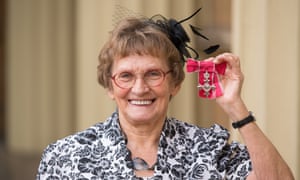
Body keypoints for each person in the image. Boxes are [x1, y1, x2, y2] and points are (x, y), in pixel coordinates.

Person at [36, 12, 294, 180]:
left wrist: (236, 107)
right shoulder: (65, 157)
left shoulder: (208, 149)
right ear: (109, 86)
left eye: (153, 74)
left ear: (175, 83)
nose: (139, 88)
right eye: (125, 76)